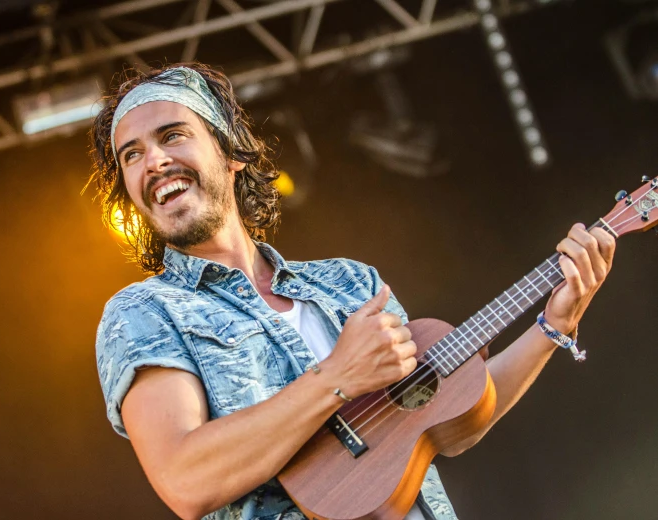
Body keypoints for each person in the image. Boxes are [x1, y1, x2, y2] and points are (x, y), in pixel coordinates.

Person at [90, 63, 616, 520]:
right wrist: (336, 378)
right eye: (131, 154)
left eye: (173, 135)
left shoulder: (348, 283)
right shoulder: (144, 313)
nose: (153, 161)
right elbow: (187, 482)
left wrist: (555, 326)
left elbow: (448, 421)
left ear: (231, 153)